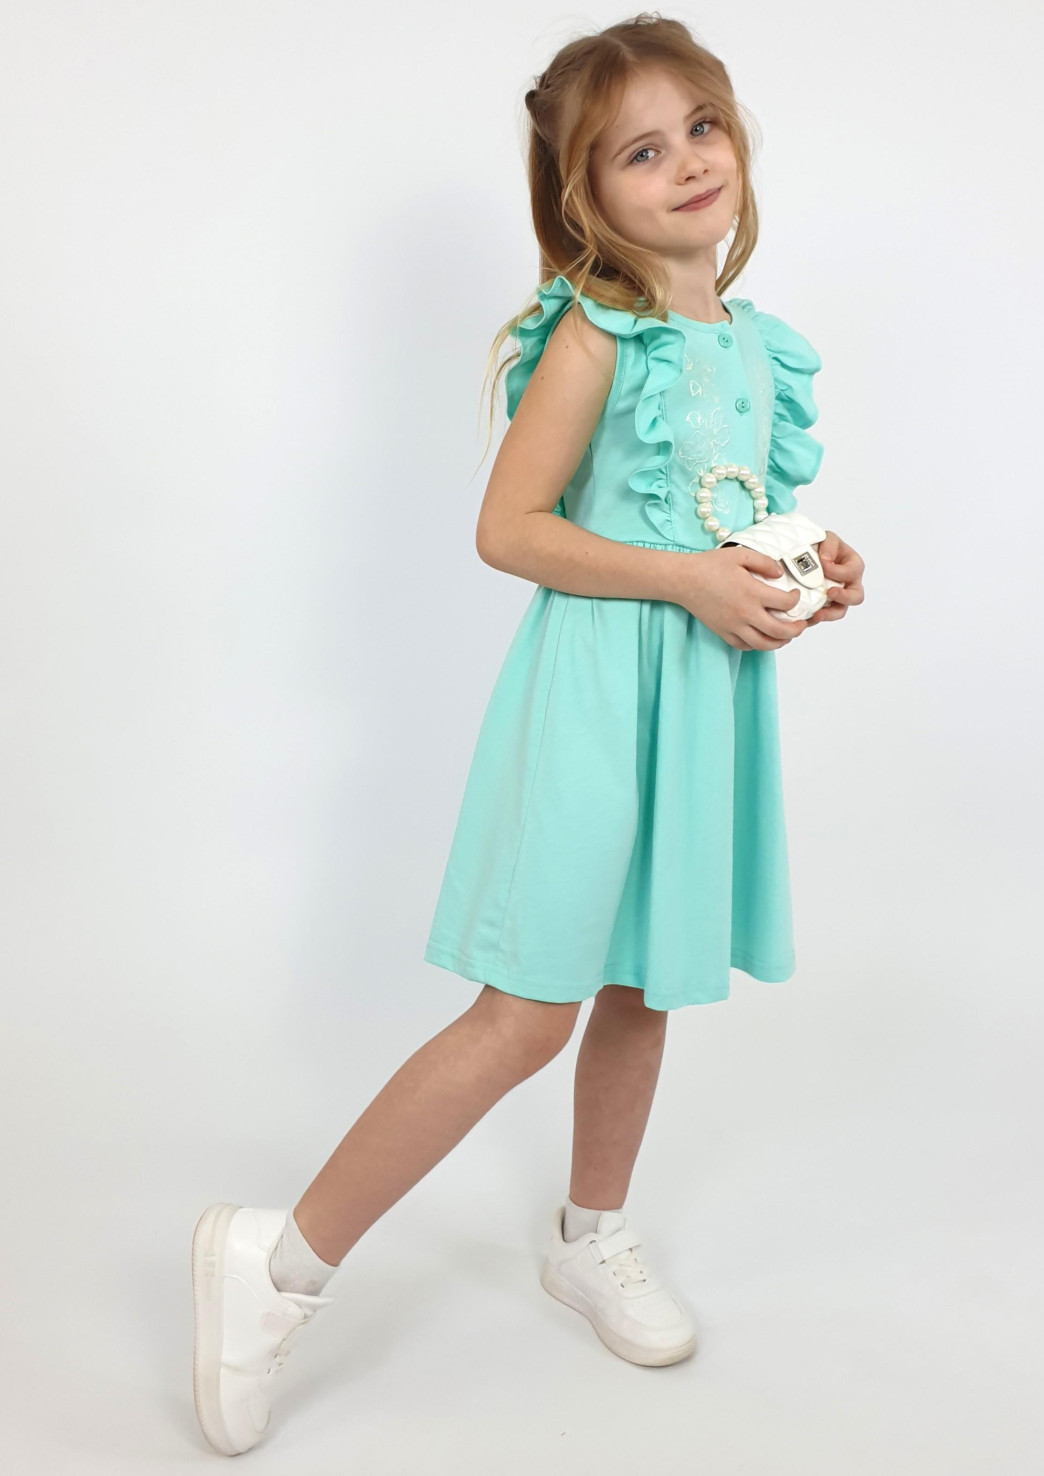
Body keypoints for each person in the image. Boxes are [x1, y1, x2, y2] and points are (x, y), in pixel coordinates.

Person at [190, 12, 865, 1457]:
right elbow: (510, 529)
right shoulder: (592, 338)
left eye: (701, 127)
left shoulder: (750, 341)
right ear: (584, 196)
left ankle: (589, 1233)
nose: (687, 162)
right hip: (598, 698)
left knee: (645, 980)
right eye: (641, 151)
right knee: (525, 1015)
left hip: (697, 700)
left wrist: (801, 562)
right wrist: (687, 582)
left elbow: (720, 513)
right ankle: (276, 1264)